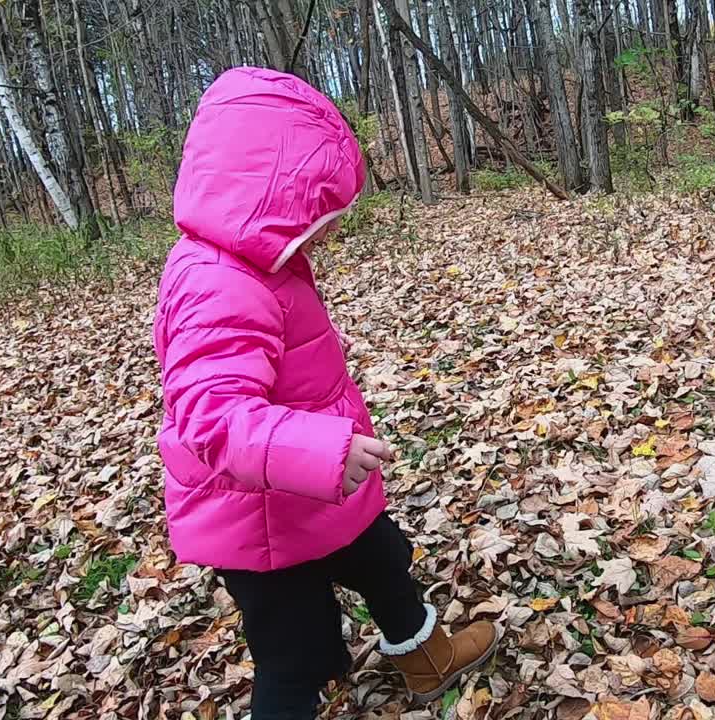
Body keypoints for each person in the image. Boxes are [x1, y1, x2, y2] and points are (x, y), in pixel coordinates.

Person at [152, 67, 499, 719]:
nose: (331, 231)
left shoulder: (254, 263)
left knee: (383, 559)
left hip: (308, 495)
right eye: (321, 214)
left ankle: (427, 660)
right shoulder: (219, 285)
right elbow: (215, 418)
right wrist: (324, 452)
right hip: (261, 520)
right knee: (296, 654)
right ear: (272, 200)